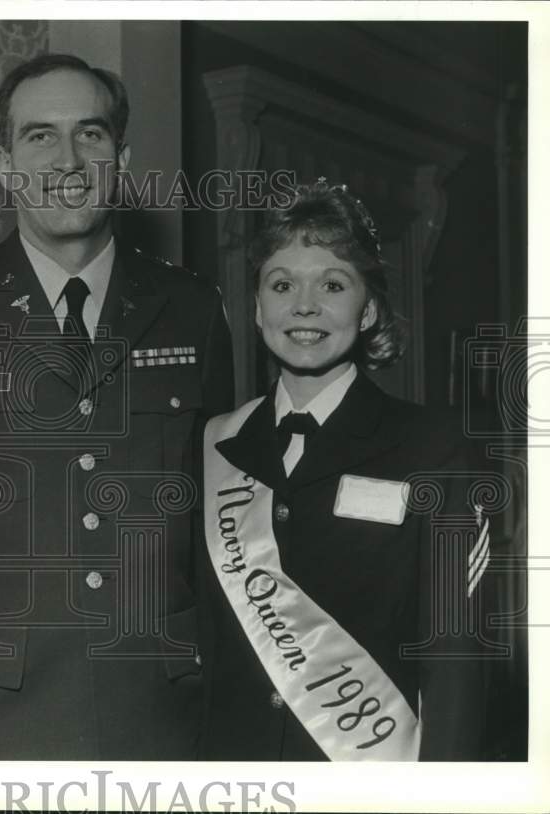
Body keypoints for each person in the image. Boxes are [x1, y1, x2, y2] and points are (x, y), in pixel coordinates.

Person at [0, 54, 235, 760]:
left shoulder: (192, 311)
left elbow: (225, 516)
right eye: (40, 136)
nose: (69, 158)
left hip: (163, 709)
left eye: (91, 134)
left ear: (122, 157)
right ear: (4, 164)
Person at [196, 179, 492, 760]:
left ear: (370, 306)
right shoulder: (216, 444)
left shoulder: (431, 449)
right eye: (282, 285)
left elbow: (457, 660)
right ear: (257, 308)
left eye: (333, 284)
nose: (304, 305)